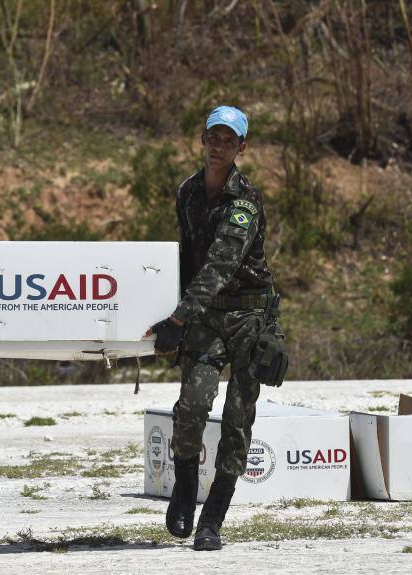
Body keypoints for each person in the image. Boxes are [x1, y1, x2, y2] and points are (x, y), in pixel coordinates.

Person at [148, 105, 276, 551]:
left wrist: (178, 318)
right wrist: (168, 310)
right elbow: (186, 257)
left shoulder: (245, 200)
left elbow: (222, 263)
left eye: (228, 140)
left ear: (242, 148)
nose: (218, 146)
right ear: (202, 140)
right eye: (213, 137)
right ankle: (185, 489)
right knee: (192, 407)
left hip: (248, 318)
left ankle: (213, 521)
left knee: (238, 421)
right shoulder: (187, 191)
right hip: (204, 316)